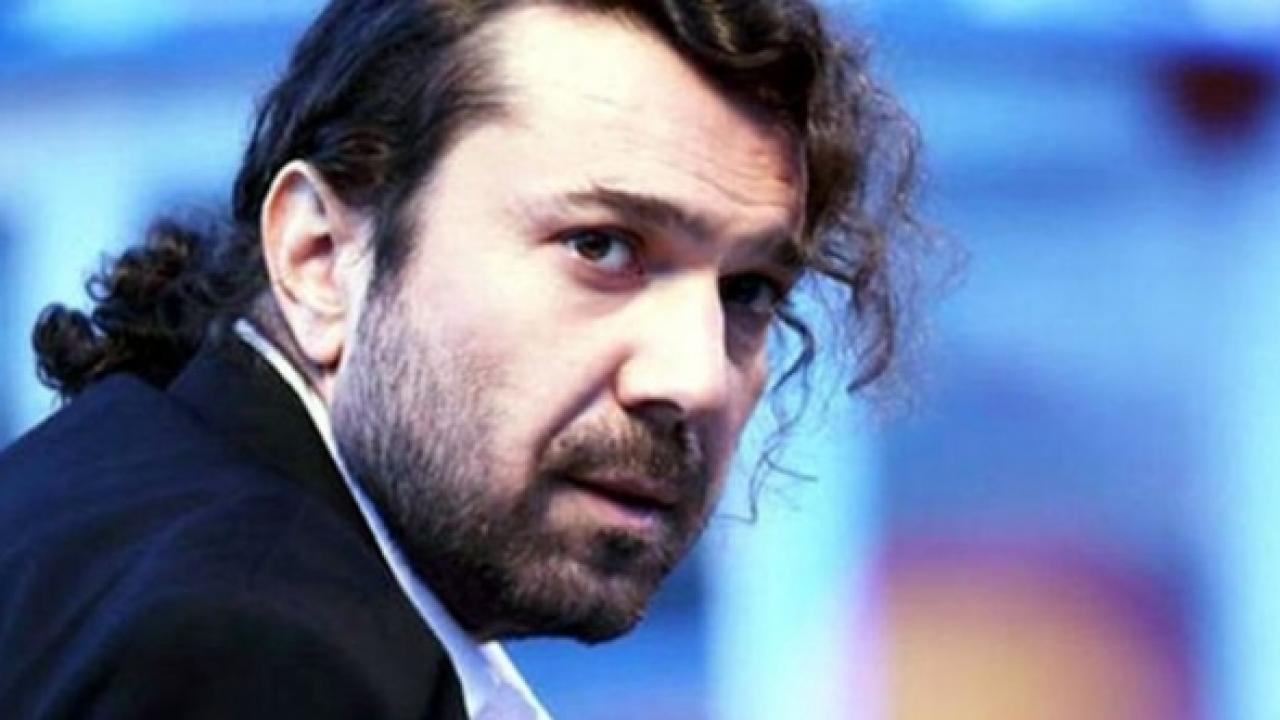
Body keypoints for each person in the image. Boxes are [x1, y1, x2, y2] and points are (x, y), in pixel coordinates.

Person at [0, 0, 921, 717]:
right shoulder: (258, 652)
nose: (693, 378)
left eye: (748, 290)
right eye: (600, 246)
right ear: (321, 258)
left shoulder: (141, 496)